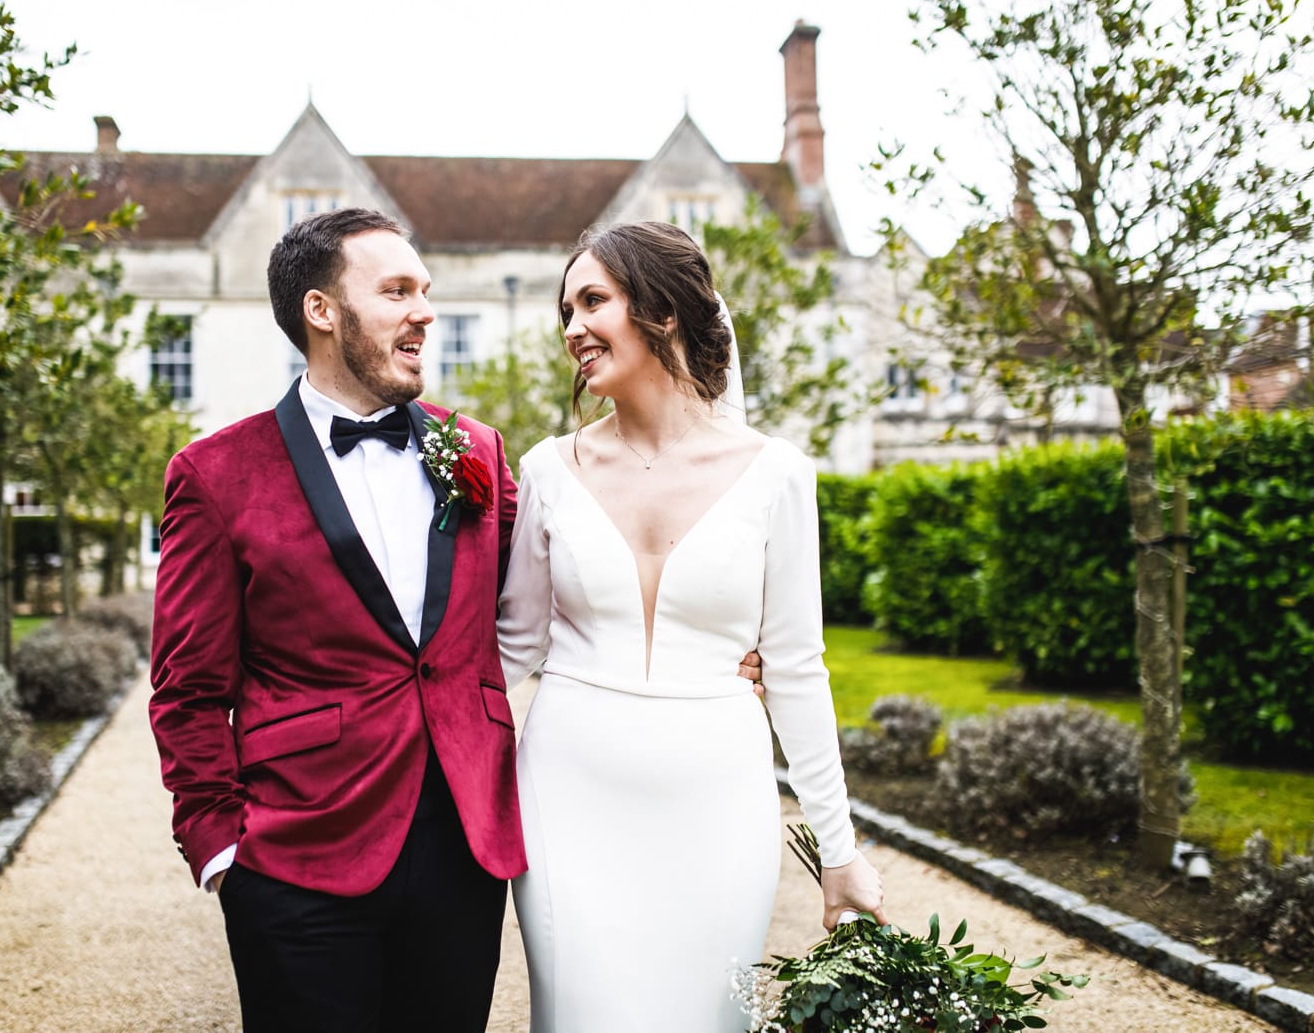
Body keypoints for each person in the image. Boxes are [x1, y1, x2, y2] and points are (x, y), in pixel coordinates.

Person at [148, 207, 760, 1031]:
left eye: (425, 290)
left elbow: (571, 579)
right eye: (397, 290)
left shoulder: (476, 453)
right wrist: (222, 848)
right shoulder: (215, 474)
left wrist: (708, 635)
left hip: (463, 857)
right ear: (321, 312)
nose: (425, 311)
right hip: (296, 860)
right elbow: (186, 688)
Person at [498, 220, 886, 1032]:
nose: (572, 329)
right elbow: (513, 648)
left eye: (592, 301)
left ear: (665, 311)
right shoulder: (544, 469)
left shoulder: (776, 474)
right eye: (565, 309)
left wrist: (839, 847)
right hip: (567, 795)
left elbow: (797, 667)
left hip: (718, 799)